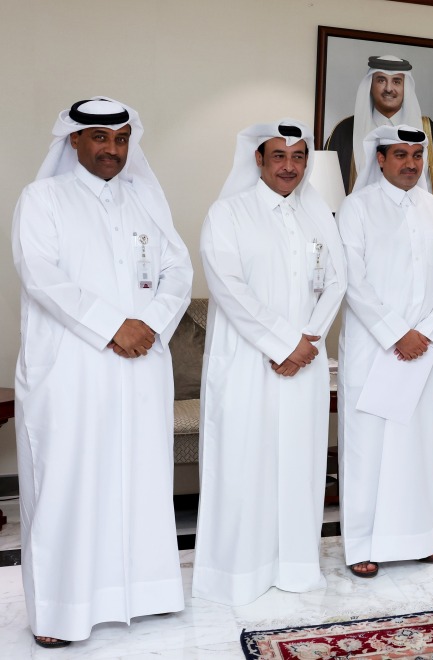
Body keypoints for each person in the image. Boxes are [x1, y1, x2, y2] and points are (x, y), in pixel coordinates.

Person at [11, 97, 191, 648]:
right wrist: (115, 325)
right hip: (72, 369)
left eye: (120, 139)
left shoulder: (145, 201)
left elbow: (177, 271)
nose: (112, 149)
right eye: (99, 138)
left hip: (140, 366)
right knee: (69, 481)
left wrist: (151, 324)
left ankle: (146, 593)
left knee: (139, 476)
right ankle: (61, 613)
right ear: (74, 141)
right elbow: (41, 274)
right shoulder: (43, 199)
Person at [193, 120, 347, 606]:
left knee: (300, 464)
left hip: (304, 363)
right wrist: (285, 344)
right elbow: (228, 287)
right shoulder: (228, 213)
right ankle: (238, 574)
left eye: (298, 156)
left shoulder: (319, 214)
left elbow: (339, 281)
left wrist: (309, 340)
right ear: (258, 160)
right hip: (249, 363)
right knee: (245, 465)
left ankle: (296, 568)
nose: (289, 166)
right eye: (278, 156)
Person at [337, 125, 433, 578]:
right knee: (369, 447)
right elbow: (353, 279)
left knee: (420, 444)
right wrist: (395, 333)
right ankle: (363, 546)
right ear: (381, 159)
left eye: (417, 155)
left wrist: (425, 332)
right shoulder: (357, 208)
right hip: (375, 351)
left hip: (423, 351)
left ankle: (419, 538)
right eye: (401, 155)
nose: (411, 163)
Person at [324, 55, 433, 201]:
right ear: (370, 85)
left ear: (405, 87)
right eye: (381, 80)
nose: (389, 88)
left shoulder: (428, 130)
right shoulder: (344, 131)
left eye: (396, 81)